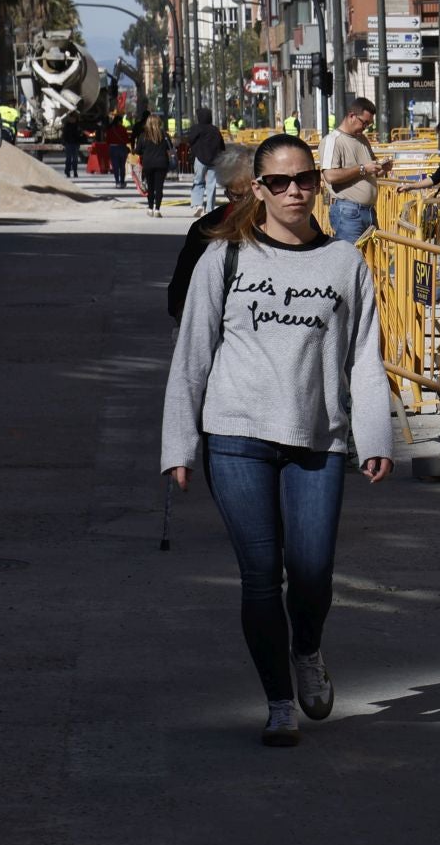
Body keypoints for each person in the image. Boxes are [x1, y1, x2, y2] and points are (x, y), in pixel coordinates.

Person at [160, 133, 393, 748]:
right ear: (257, 189)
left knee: (312, 572)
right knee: (262, 577)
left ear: (319, 182)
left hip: (317, 438)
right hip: (236, 436)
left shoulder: (344, 262)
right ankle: (278, 702)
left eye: (306, 179)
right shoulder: (225, 256)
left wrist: (375, 433)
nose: (295, 192)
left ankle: (308, 649)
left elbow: (365, 356)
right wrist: (178, 444)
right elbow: (192, 354)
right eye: (281, 182)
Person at [168, 143, 254, 321]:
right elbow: (179, 291)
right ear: (227, 191)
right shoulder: (206, 228)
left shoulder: (287, 226)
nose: (245, 204)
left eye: (251, 196)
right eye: (237, 195)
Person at [320, 97, 391, 245]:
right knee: (350, 260)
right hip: (348, 212)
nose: (365, 127)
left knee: (372, 263)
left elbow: (371, 171)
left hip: (368, 211)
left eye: (369, 124)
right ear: (352, 116)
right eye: (364, 122)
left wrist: (382, 169)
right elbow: (330, 175)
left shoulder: (362, 139)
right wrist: (363, 169)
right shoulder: (333, 140)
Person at [187, 108, 226, 213]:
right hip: (213, 160)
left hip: (200, 159)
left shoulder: (196, 128)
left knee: (198, 181)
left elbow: (190, 140)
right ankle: (210, 208)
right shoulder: (215, 130)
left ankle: (198, 204)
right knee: (211, 185)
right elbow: (222, 146)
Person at [134, 114, 174, 217]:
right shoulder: (164, 135)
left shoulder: (143, 136)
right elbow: (170, 149)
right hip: (162, 163)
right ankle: (157, 209)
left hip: (148, 164)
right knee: (159, 188)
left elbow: (138, 151)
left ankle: (150, 208)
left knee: (150, 187)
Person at [104, 117, 131, 190]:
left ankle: (117, 182)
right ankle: (122, 182)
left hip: (113, 148)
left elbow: (107, 140)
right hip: (122, 148)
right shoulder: (123, 129)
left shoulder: (110, 129)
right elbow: (126, 140)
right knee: (122, 166)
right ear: (120, 121)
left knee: (115, 167)